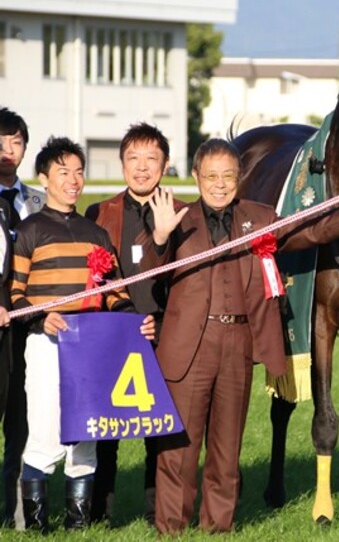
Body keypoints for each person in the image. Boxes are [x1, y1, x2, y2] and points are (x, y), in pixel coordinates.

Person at [143, 138, 339, 534]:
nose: (220, 184)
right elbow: (147, 276)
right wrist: (161, 238)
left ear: (240, 178)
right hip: (187, 348)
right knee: (178, 449)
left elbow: (310, 230)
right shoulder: (175, 219)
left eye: (229, 176)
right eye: (211, 176)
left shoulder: (260, 216)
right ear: (196, 177)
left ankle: (218, 525)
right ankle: (171, 526)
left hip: (238, 344)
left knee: (227, 446)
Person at [10, 137, 155, 532]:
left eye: (78, 172)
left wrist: (134, 321)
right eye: (63, 172)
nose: (73, 180)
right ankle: (37, 528)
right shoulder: (28, 231)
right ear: (43, 178)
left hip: (90, 348)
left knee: (86, 437)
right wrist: (43, 319)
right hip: (46, 344)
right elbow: (16, 295)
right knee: (43, 434)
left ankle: (78, 528)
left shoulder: (96, 234)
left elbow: (114, 292)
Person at [84, 123, 184, 525]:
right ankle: (97, 513)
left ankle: (153, 512)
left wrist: (163, 324)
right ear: (122, 162)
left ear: (165, 165)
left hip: (161, 334)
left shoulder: (181, 215)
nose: (142, 168)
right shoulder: (99, 213)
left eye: (151, 159)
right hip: (112, 333)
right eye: (133, 159)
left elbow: (186, 285)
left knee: (158, 429)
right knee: (106, 430)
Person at [0, 107, 45, 530]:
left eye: (15, 142)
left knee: (23, 425)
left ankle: (16, 516)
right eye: (0, 143)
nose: (7, 151)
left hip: (29, 332)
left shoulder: (39, 203)